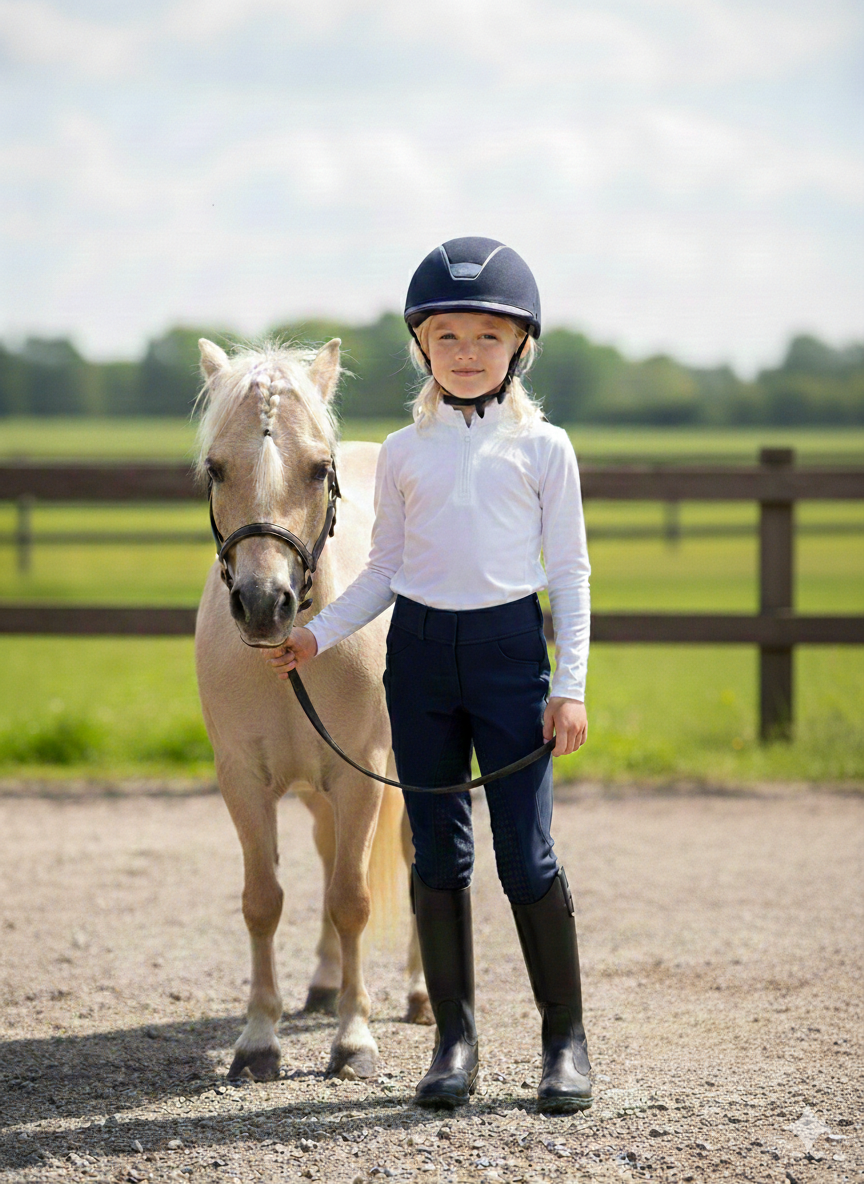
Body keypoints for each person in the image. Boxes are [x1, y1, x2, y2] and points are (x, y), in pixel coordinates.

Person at [263, 237, 592, 1114]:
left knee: (526, 857)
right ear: (423, 347)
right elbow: (381, 572)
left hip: (511, 658)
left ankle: (565, 1042)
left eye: (487, 336)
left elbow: (570, 576)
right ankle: (454, 1041)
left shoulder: (545, 449)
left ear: (519, 346)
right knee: (436, 852)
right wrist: (318, 634)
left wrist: (571, 686)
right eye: (448, 336)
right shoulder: (405, 452)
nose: (468, 352)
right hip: (419, 659)